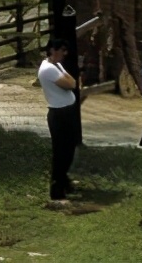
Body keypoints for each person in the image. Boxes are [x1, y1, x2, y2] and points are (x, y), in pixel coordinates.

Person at [37, 38, 80, 201]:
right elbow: (70, 85)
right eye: (62, 50)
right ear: (53, 50)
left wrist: (70, 80)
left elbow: (73, 81)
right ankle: (57, 189)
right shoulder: (48, 69)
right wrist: (70, 81)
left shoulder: (57, 65)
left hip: (67, 111)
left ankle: (64, 180)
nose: (65, 53)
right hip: (59, 114)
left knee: (69, 149)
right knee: (61, 152)